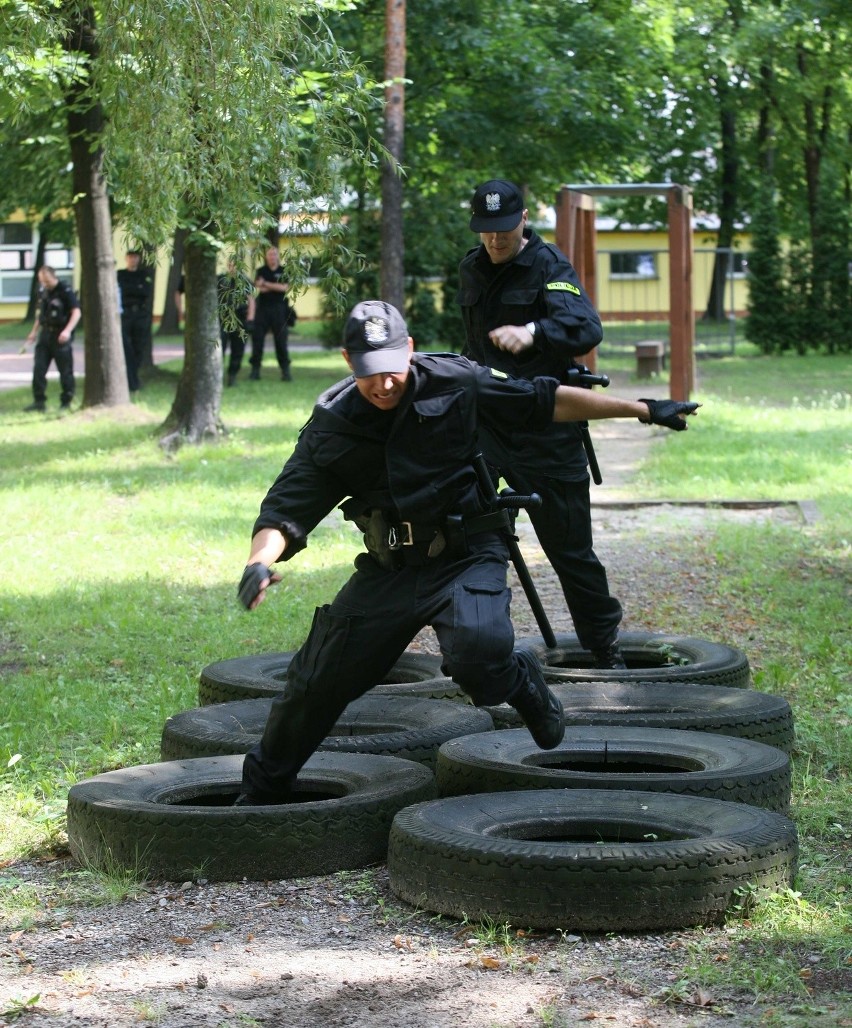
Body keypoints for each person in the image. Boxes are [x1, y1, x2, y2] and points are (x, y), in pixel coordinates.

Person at [234, 299, 699, 804]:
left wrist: (643, 410)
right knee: (315, 682)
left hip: (467, 549)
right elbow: (285, 508)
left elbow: (541, 401)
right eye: (370, 373)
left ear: (408, 350)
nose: (384, 383)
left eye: (392, 368)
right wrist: (259, 561)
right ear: (349, 361)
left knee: (479, 657)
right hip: (390, 567)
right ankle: (261, 794)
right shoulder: (332, 426)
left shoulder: (456, 381)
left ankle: (521, 683)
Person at [458, 178, 627, 669]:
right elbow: (474, 345)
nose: (495, 240)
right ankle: (485, 650)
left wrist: (532, 331)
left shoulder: (549, 265)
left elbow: (585, 327)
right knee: (474, 538)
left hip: (545, 429)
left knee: (569, 550)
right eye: (486, 231)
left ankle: (603, 647)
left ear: (524, 220)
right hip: (487, 428)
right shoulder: (471, 267)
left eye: (504, 230)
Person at [22, 266, 81, 412]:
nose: (44, 283)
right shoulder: (43, 292)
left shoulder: (65, 291)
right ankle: (39, 402)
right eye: (42, 281)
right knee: (39, 369)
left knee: (65, 371)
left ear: (53, 276)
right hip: (45, 336)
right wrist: (33, 332)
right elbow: (41, 315)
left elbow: (76, 312)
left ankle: (66, 402)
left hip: (61, 336)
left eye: (46, 280)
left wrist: (67, 331)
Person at [250, 246, 293, 381]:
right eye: (270, 254)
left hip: (279, 310)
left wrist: (266, 284)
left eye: (274, 254)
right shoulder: (261, 271)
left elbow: (284, 288)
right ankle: (255, 371)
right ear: (266, 257)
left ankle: (285, 372)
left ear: (278, 256)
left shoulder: (284, 271)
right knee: (257, 340)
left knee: (281, 341)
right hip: (262, 310)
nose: (272, 257)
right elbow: (258, 288)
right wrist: (274, 286)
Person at [116, 250, 154, 393]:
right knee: (127, 348)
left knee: (139, 348)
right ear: (126, 258)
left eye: (136, 257)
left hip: (140, 315)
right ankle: (132, 382)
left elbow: (145, 292)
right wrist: (135, 289)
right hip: (125, 314)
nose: (133, 260)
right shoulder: (120, 275)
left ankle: (133, 377)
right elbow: (122, 292)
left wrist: (132, 290)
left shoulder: (143, 275)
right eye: (131, 257)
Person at [217, 259, 256, 386]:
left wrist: (250, 319)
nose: (233, 267)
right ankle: (218, 376)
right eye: (231, 265)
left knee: (238, 349)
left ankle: (232, 376)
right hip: (223, 318)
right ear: (228, 266)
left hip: (240, 319)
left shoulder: (245, 281)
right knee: (219, 348)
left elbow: (251, 301)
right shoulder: (221, 279)